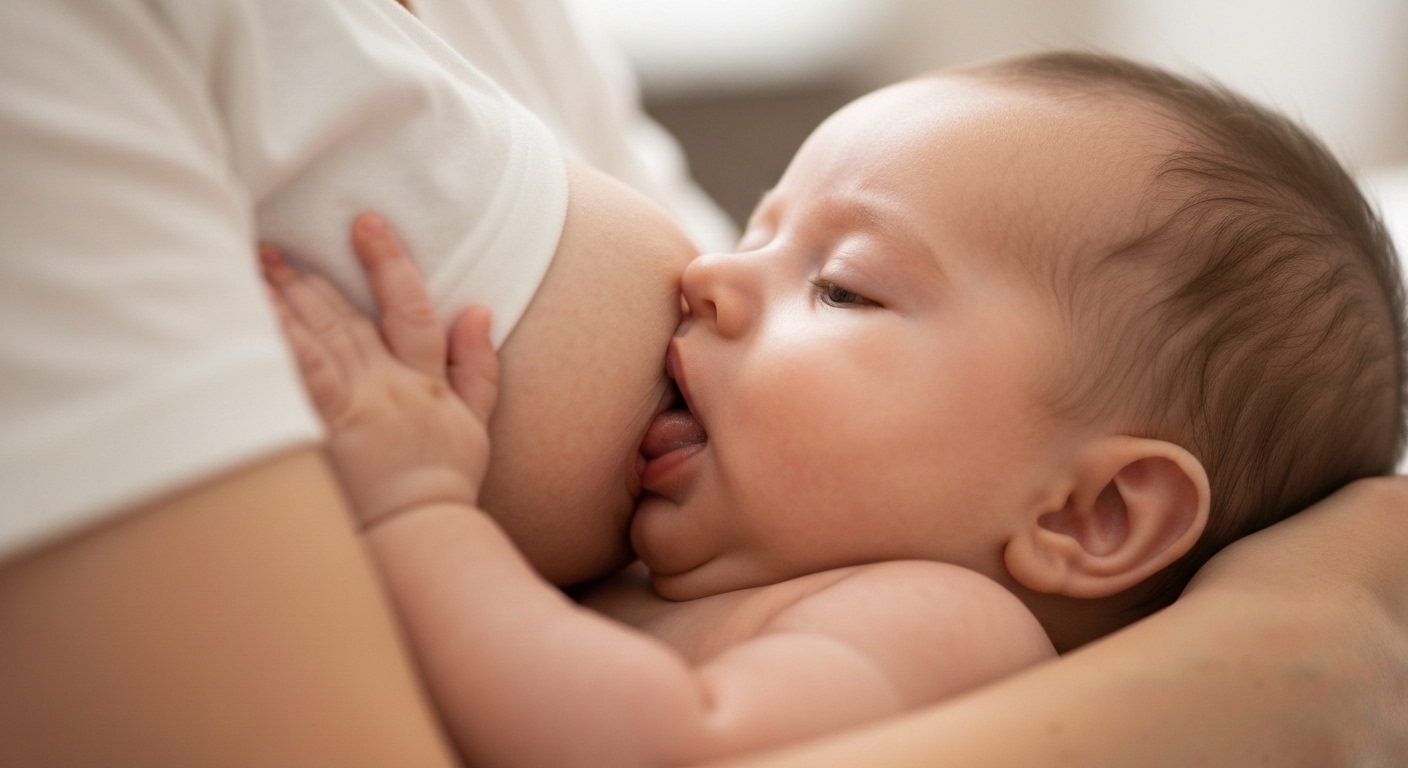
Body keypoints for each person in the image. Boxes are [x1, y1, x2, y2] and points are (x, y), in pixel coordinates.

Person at [1, 2, 1406, 766]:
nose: (707, 281)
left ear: (1091, 516)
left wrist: (420, 516)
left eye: (842, 286)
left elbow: (665, 748)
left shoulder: (937, 620)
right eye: (755, 230)